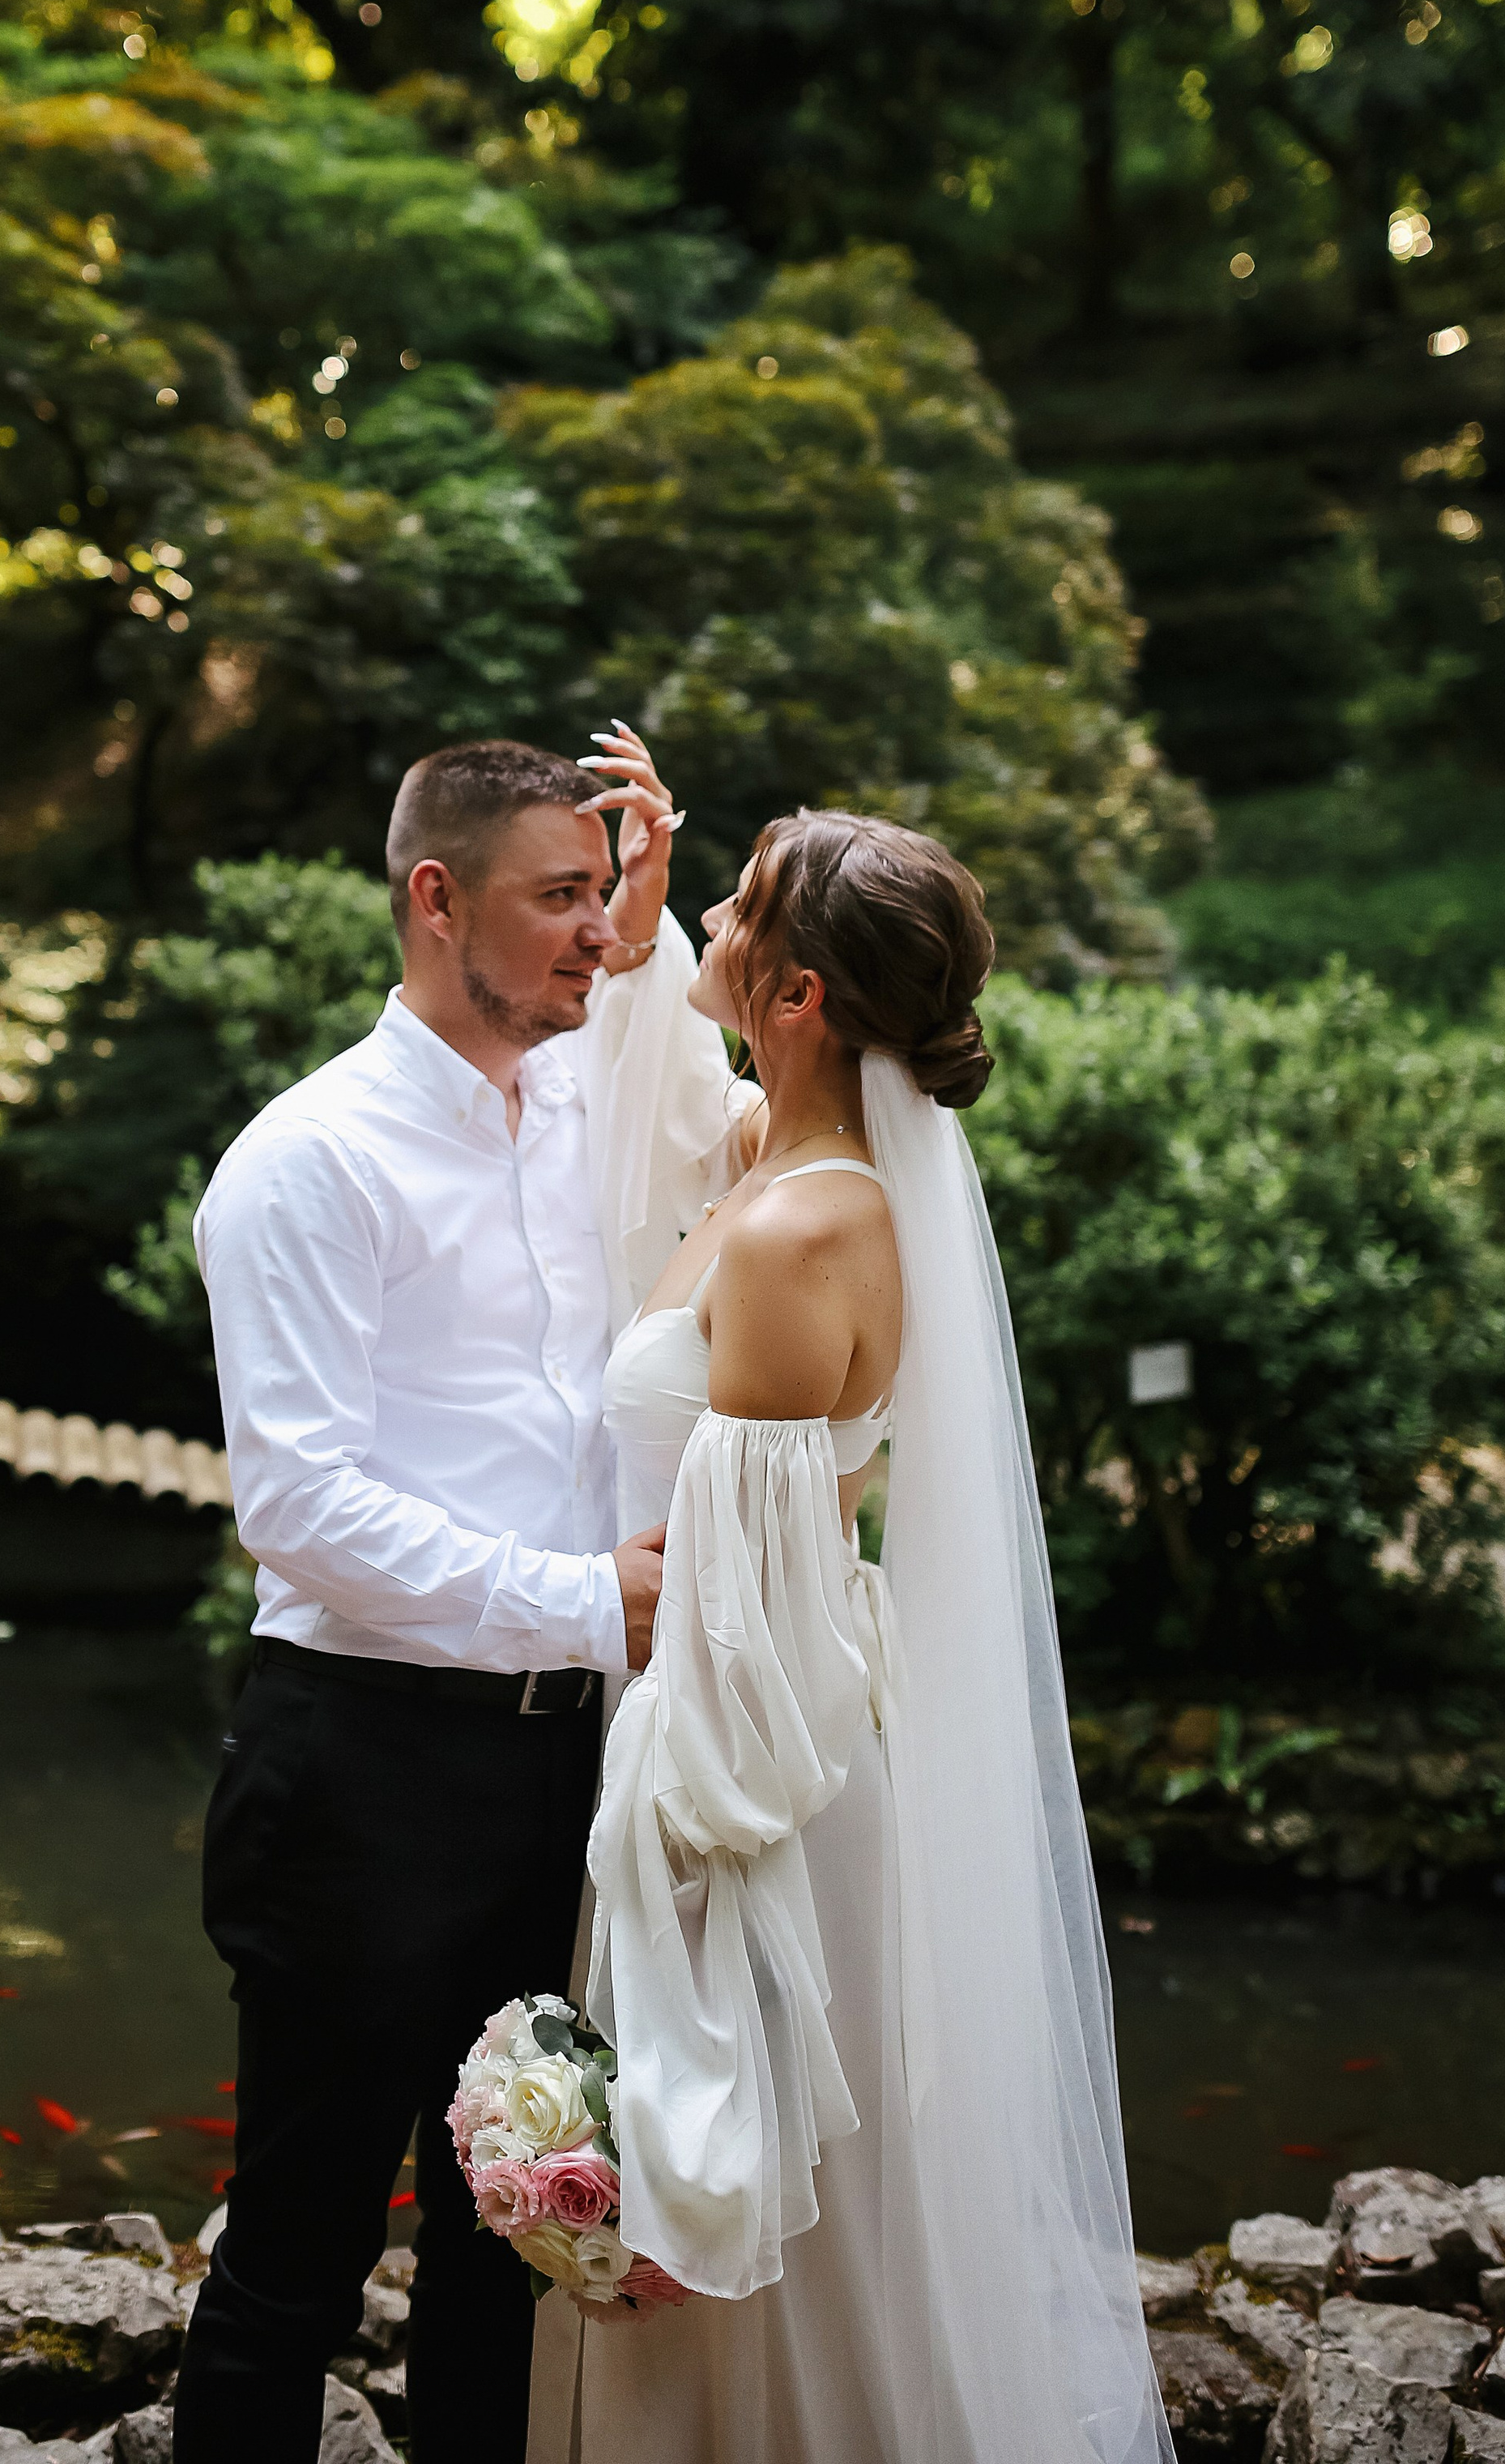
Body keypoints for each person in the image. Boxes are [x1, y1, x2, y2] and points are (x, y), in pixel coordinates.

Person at [531, 810, 1172, 2464]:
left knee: (752, 2213)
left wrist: (664, 1865)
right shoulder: (782, 1166)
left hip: (741, 1790)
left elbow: (738, 1598)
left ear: (800, 993)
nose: (713, 929)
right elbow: (681, 1114)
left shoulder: (798, 1229)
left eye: (736, 911)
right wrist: (656, 919)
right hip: (781, 1743)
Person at [171, 732, 744, 2464]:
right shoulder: (305, 1162)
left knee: (519, 2229)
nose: (593, 933)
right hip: (361, 1770)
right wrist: (586, 1595)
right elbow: (298, 1506)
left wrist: (654, 939)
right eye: (556, 899)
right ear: (436, 901)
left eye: (598, 895)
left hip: (562, 1778)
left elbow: (745, 1108)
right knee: (299, 2255)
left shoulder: (580, 1100)